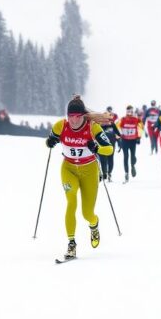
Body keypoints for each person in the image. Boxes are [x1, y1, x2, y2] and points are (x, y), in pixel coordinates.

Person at [45, 95, 114, 259]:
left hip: (89, 171)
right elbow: (51, 139)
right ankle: (71, 244)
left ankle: (94, 224)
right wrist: (50, 141)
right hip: (68, 169)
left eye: (77, 116)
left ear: (83, 115)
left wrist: (96, 148)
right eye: (71, 116)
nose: (74, 120)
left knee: (87, 213)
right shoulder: (60, 126)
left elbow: (109, 149)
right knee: (71, 201)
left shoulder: (93, 128)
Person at [116, 104, 143, 182]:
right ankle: (126, 173)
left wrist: (139, 137)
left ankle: (133, 166)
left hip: (133, 141)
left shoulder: (136, 119)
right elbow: (117, 127)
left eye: (131, 111)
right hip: (125, 141)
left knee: (133, 156)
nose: (129, 113)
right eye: (128, 111)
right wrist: (119, 137)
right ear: (126, 111)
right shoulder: (123, 119)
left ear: (133, 111)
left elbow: (140, 127)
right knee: (126, 157)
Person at [98, 106, 121, 182]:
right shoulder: (98, 126)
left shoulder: (112, 125)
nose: (105, 120)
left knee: (110, 160)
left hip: (111, 146)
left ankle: (109, 173)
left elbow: (118, 134)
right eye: (104, 118)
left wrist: (119, 143)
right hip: (101, 147)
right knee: (103, 161)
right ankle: (104, 173)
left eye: (107, 118)